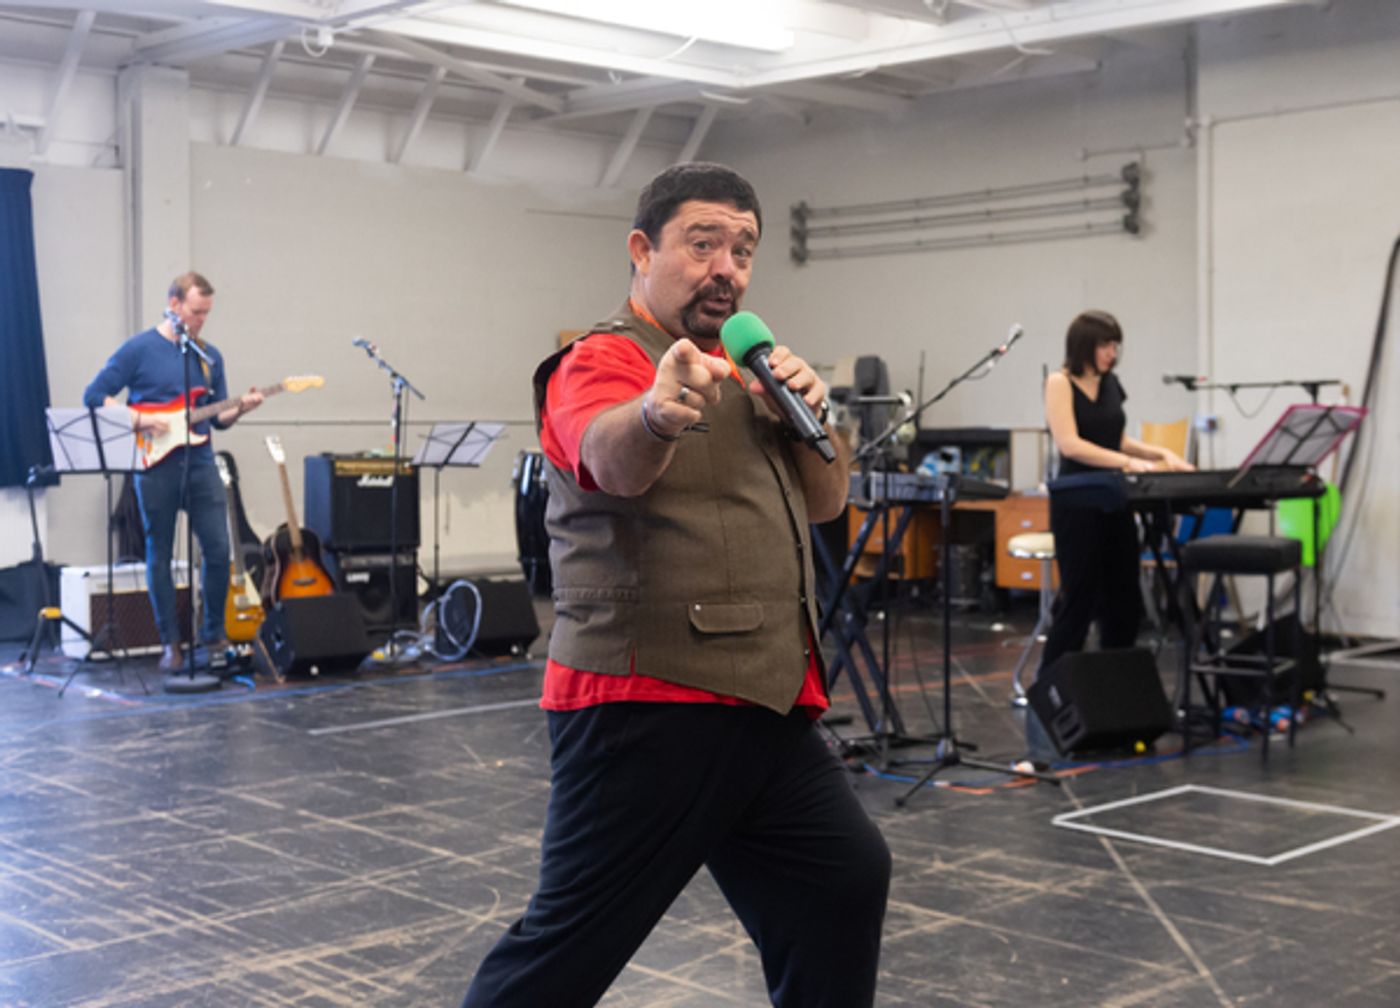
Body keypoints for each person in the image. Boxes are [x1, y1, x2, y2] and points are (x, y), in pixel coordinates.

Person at [461, 163, 890, 1008]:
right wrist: (657, 414)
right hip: (646, 706)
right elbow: (609, 456)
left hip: (763, 702)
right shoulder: (599, 359)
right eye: (702, 244)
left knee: (842, 880)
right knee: (566, 951)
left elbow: (827, 502)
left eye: (743, 250)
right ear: (641, 250)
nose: (726, 267)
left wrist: (811, 417)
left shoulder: (753, 370)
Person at [1022, 310, 1192, 765]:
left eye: (1115, 345)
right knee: (1079, 599)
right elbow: (1071, 444)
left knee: (1123, 600)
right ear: (1085, 345)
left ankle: (1116, 703)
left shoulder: (1111, 384)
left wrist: (1161, 453)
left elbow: (1117, 439)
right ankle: (1049, 698)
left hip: (1113, 501)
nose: (1112, 353)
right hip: (1077, 503)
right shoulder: (1060, 383)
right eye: (1105, 345)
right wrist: (1130, 464)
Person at [84, 271, 263, 671]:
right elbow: (94, 395)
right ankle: (171, 644)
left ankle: (213, 635)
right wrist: (139, 419)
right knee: (159, 551)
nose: (201, 320)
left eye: (206, 313)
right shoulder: (138, 349)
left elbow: (218, 419)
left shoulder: (209, 357)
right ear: (174, 304)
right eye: (196, 312)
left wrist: (241, 408)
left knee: (217, 549)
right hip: (155, 465)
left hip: (200, 462)